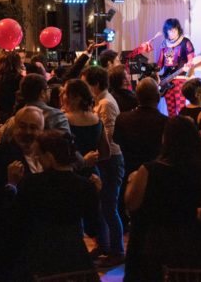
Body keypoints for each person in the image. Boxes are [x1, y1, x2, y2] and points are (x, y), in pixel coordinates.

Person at [124, 116, 201, 281]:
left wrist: (131, 182)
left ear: (165, 139)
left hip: (155, 240)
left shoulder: (148, 170)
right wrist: (194, 213)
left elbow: (132, 204)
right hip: (189, 241)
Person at [15, 130, 101, 280]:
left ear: (49, 157)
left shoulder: (31, 183)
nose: (38, 159)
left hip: (41, 254)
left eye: (39, 155)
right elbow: (93, 228)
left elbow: (19, 220)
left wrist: (12, 185)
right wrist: (96, 194)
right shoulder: (86, 186)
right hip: (75, 254)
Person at [0, 107, 45, 281]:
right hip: (7, 243)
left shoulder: (47, 156)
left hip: (40, 244)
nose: (27, 132)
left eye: (33, 127)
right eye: (23, 126)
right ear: (15, 128)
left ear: (42, 130)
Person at [82, 66, 126, 266]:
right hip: (106, 159)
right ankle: (106, 245)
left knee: (109, 207)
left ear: (96, 84)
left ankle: (117, 251)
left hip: (111, 159)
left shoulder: (106, 103)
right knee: (103, 206)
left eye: (87, 84)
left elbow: (109, 136)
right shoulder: (101, 101)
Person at [114, 78, 168, 177]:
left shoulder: (122, 119)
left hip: (128, 175)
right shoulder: (167, 123)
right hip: (157, 178)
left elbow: (116, 140)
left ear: (136, 96)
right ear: (158, 97)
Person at [158, 18, 196, 116]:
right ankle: (172, 129)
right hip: (167, 81)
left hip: (181, 80)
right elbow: (160, 64)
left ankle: (181, 129)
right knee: (170, 111)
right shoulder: (164, 43)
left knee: (181, 109)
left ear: (178, 29)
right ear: (166, 31)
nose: (173, 32)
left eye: (175, 30)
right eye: (170, 30)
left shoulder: (185, 42)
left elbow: (192, 61)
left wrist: (190, 68)